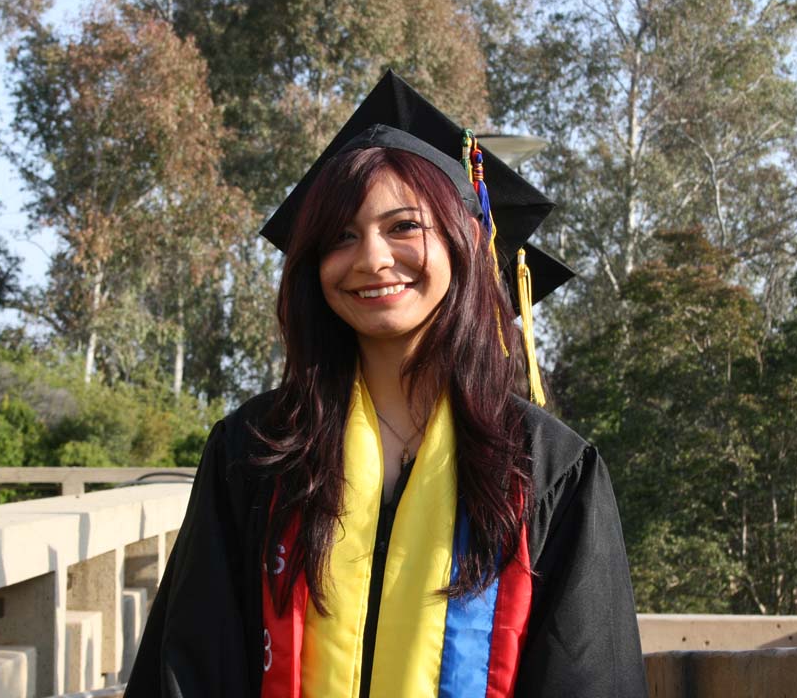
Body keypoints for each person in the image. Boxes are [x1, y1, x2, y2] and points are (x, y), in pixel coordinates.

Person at [126, 71, 647, 697]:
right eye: (341, 236)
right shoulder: (256, 452)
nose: (372, 259)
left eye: (403, 227)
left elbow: (586, 676)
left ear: (464, 243)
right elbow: (191, 666)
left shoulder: (545, 470)